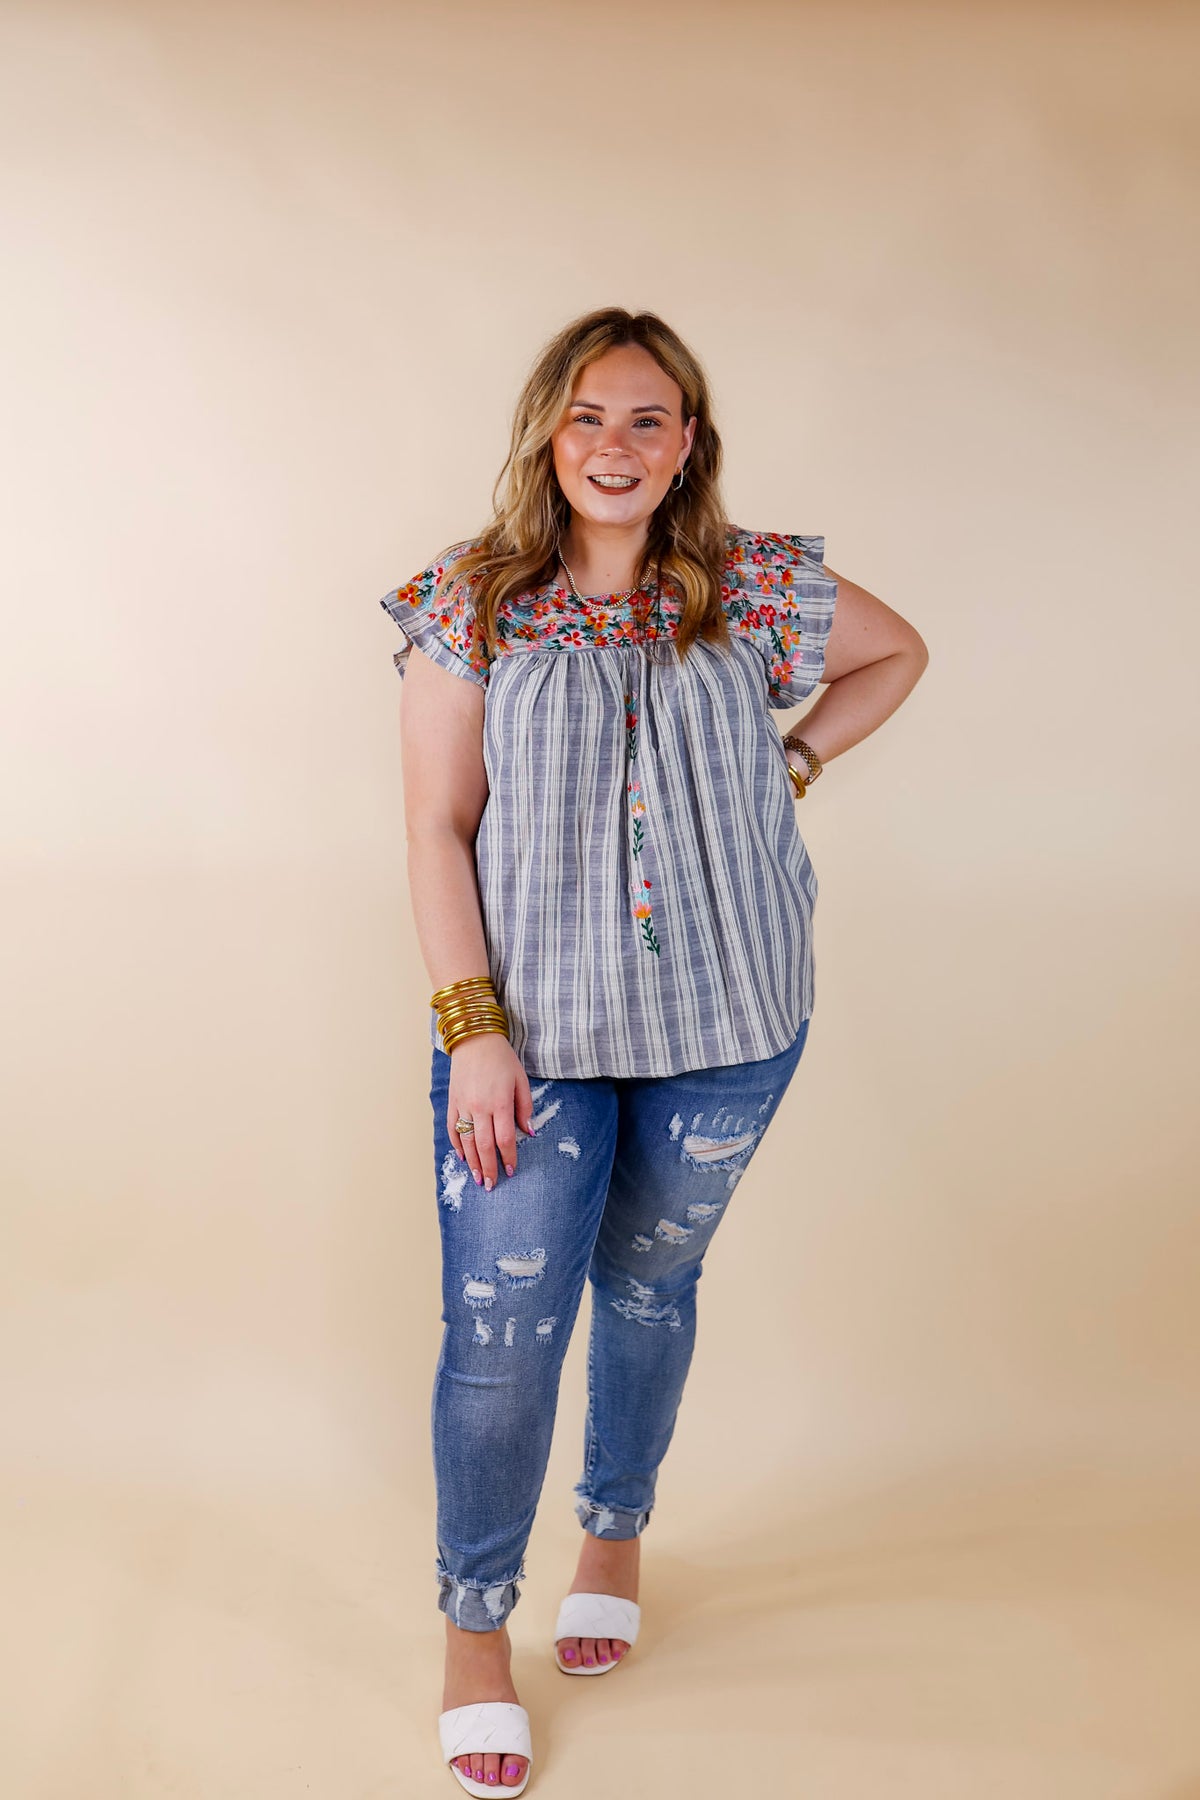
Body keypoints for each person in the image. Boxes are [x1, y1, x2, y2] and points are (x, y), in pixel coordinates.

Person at [377, 307, 929, 1796]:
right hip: (532, 1042)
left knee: (647, 1287)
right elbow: (435, 825)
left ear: (688, 442)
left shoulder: (751, 589)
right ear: (547, 436)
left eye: (647, 418)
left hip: (729, 1025)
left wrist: (793, 759)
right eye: (588, 416)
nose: (615, 446)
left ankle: (613, 1533)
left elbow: (897, 654)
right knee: (501, 1338)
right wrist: (472, 1032)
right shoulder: (472, 602)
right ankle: (475, 1631)